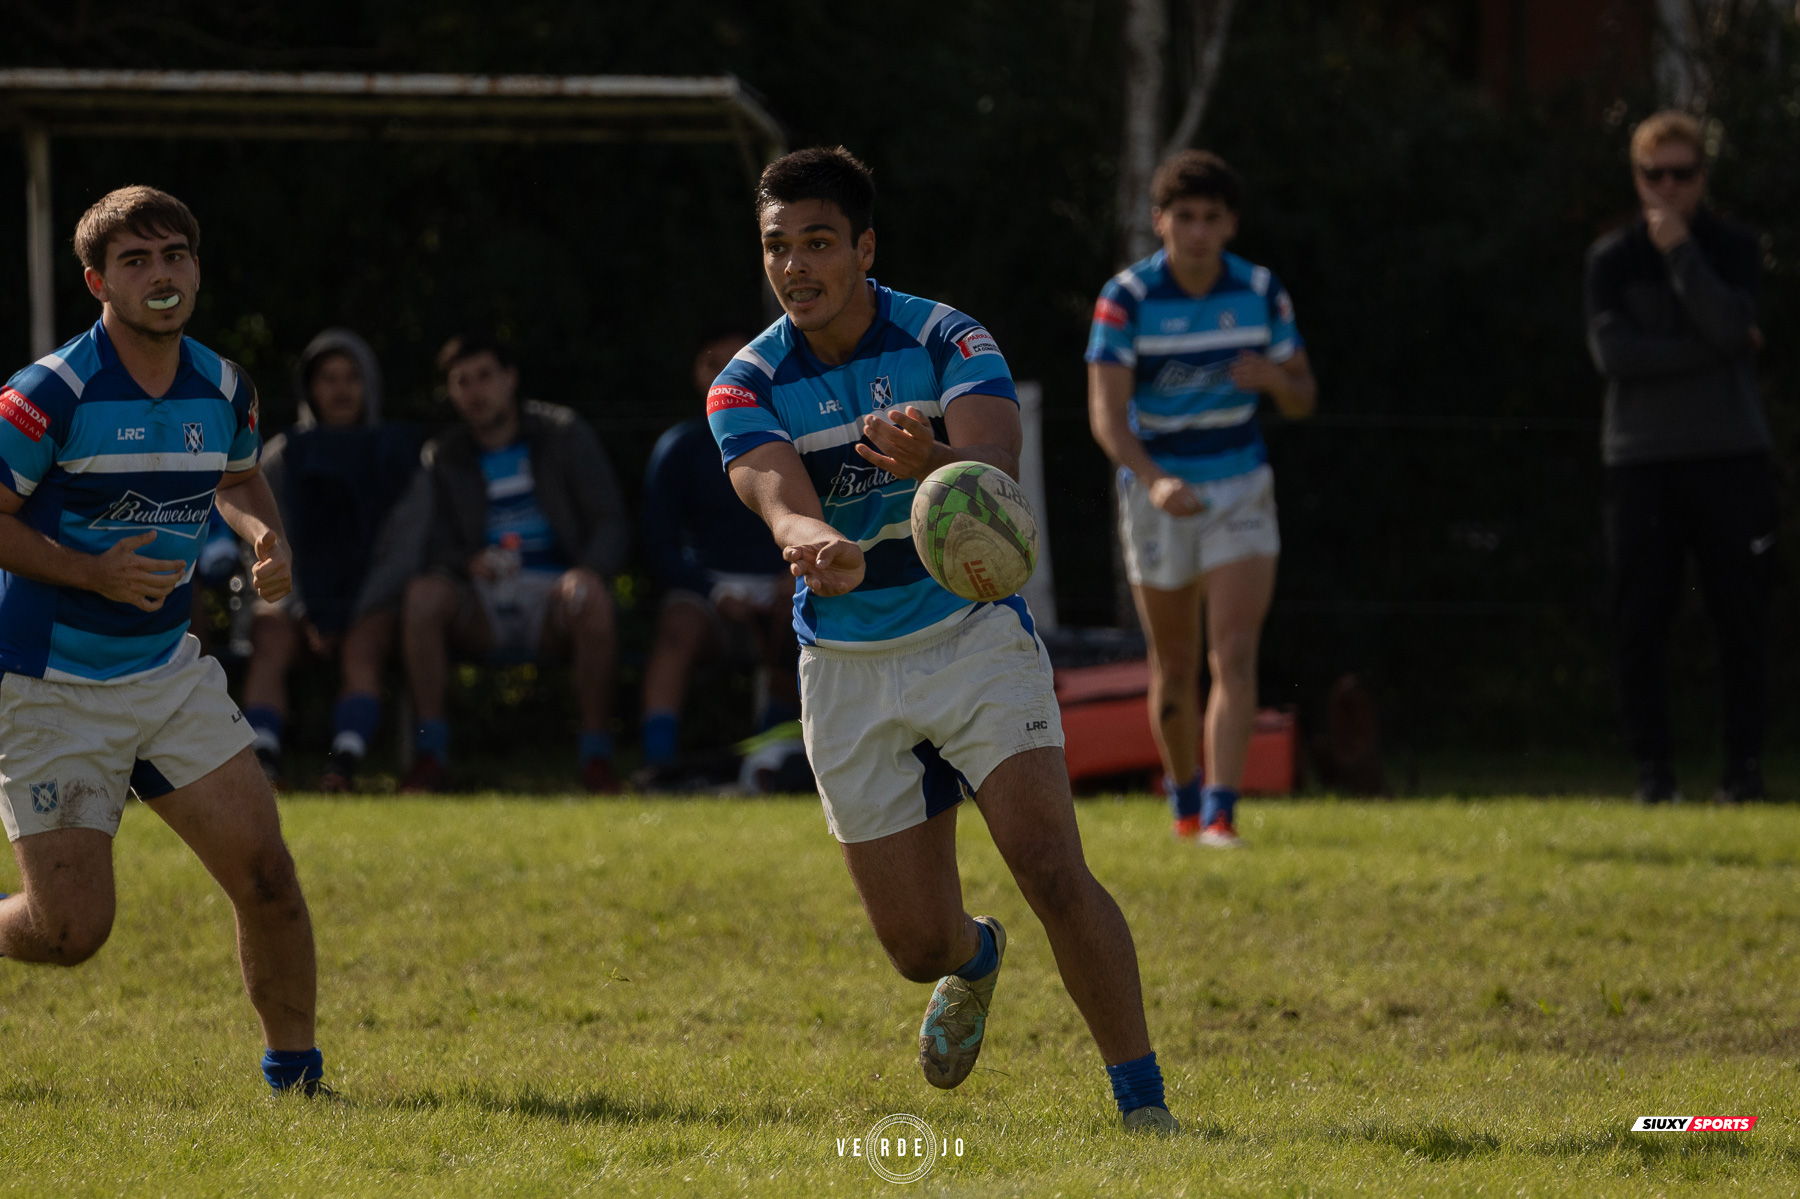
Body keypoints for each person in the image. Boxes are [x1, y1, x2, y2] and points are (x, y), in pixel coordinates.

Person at [709, 146, 1176, 1133]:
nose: (795, 266)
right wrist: (814, 541)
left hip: (971, 638)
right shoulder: (744, 382)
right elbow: (775, 497)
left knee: (1049, 863)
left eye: (819, 243)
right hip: (846, 668)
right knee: (916, 948)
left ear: (866, 248)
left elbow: (996, 466)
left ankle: (1144, 1106)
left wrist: (938, 460)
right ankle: (975, 954)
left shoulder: (946, 336)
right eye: (777, 246)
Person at [0, 186, 325, 1094]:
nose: (160, 274)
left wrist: (266, 538)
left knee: (267, 874)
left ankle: (298, 1081)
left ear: (196, 269)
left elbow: (238, 479)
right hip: (49, 682)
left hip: (165, 673)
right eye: (135, 260)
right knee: (71, 932)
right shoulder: (47, 394)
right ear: (98, 282)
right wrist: (90, 571)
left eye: (174, 254)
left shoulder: (224, 387)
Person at [1086, 150, 1316, 847]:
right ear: (1159, 220)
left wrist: (1275, 380)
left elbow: (1303, 397)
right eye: (1184, 216)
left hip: (1240, 484)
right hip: (1159, 489)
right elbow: (1106, 417)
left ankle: (1222, 813)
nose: (1197, 231)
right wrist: (1156, 478)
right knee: (1176, 663)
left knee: (1235, 652)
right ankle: (1184, 798)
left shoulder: (1261, 290)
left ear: (1230, 225)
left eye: (1211, 218)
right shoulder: (1125, 297)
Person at [1585, 110, 1773, 804]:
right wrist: (1716, 348)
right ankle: (1654, 775)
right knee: (1640, 620)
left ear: (1703, 176)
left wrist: (1682, 255)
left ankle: (1743, 772)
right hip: (1641, 461)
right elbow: (1615, 357)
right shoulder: (1610, 260)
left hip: (1730, 455)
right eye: (1653, 174)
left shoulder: (1735, 248)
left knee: (1741, 619)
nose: (1667, 187)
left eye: (1681, 174)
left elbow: (1727, 319)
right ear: (1636, 177)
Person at [400, 332, 628, 793]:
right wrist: (466, 561)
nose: (475, 391)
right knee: (421, 598)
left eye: (484, 376)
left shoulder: (563, 433)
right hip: (479, 599)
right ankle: (430, 757)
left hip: (555, 594)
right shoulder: (442, 454)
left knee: (594, 600)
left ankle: (596, 759)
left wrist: (585, 570)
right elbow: (426, 541)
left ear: (510, 378)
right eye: (461, 381)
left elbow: (610, 521)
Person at [241, 329, 421, 791]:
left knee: (366, 645)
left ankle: (343, 763)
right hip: (294, 604)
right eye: (328, 378)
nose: (341, 390)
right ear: (310, 387)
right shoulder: (282, 457)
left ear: (370, 383)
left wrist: (354, 613)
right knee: (267, 634)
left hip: (370, 605)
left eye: (351, 378)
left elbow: (404, 550)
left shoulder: (400, 457)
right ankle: (264, 762)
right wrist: (302, 609)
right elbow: (263, 537)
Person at [639, 325, 798, 772]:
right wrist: (712, 591)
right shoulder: (678, 447)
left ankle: (770, 761)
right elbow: (659, 545)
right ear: (696, 373)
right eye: (713, 364)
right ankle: (659, 765)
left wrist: (793, 575)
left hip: (781, 582)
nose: (725, 374)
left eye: (737, 362)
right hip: (706, 589)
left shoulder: (792, 438)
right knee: (676, 629)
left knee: (803, 619)